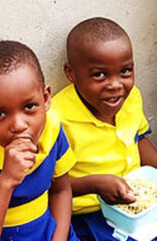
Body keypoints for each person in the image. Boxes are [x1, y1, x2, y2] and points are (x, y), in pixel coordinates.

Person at [0, 41, 78, 241]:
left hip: (46, 230)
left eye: (29, 107)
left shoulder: (52, 128)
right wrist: (7, 179)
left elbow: (61, 190)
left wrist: (59, 238)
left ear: (45, 99)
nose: (19, 125)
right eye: (0, 113)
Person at [52, 17, 157, 240]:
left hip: (137, 202)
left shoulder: (132, 98)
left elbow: (139, 141)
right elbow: (49, 183)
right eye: (100, 74)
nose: (116, 85)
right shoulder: (56, 120)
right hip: (89, 213)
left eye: (125, 71)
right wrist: (95, 184)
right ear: (71, 73)